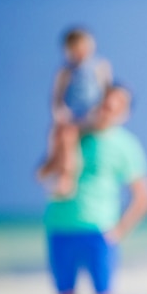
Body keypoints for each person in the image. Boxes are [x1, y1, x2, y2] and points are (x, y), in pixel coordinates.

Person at [43, 84, 147, 294]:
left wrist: (119, 230)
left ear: (125, 112)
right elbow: (43, 173)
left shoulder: (126, 145)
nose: (109, 108)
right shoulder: (75, 133)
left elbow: (143, 195)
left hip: (99, 232)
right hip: (60, 227)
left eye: (117, 104)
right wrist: (61, 146)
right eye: (106, 102)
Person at [38, 27, 112, 197]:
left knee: (67, 136)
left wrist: (101, 113)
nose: (80, 54)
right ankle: (58, 170)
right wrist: (59, 114)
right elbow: (57, 97)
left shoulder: (100, 66)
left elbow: (107, 92)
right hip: (71, 115)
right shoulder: (65, 71)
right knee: (60, 134)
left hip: (92, 114)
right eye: (75, 50)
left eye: (83, 48)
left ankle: (63, 175)